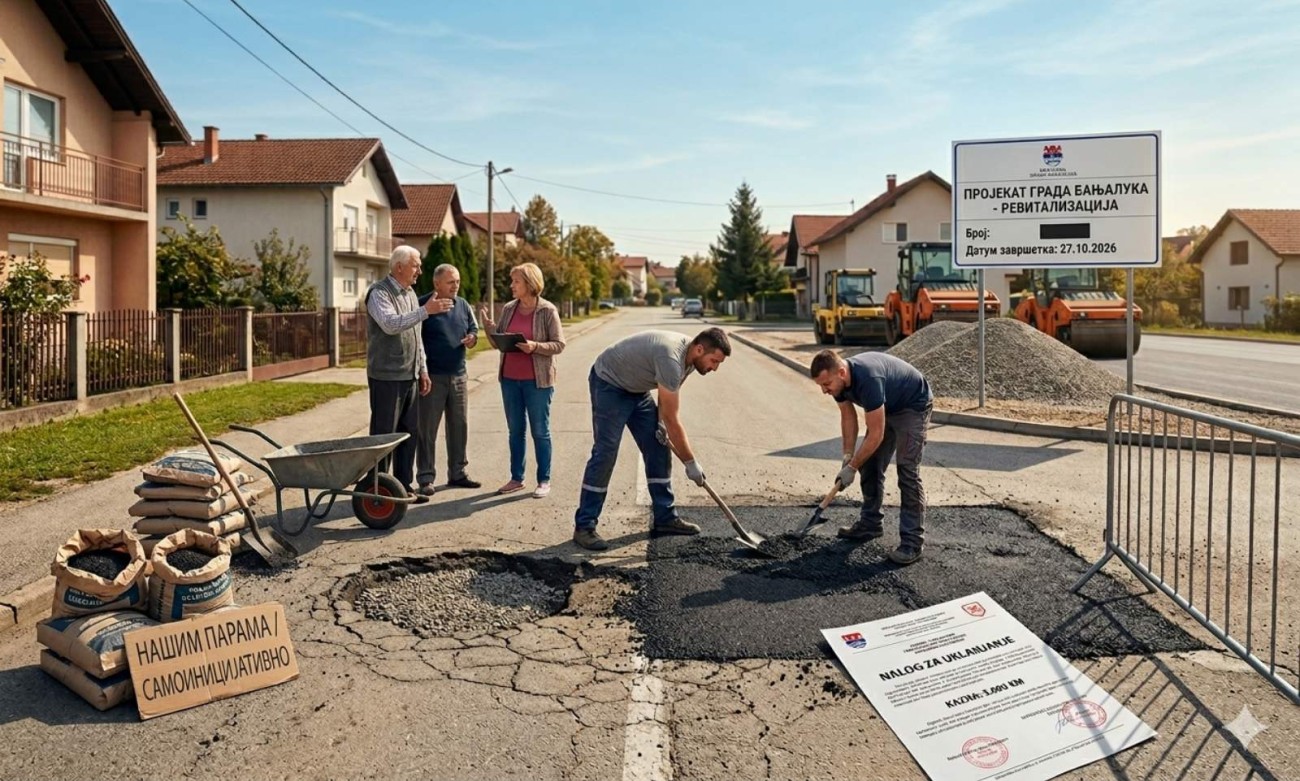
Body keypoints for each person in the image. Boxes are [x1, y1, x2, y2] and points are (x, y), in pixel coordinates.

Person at [572, 327, 731, 551]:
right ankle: (584, 527)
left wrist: (660, 425)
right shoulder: (671, 358)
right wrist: (690, 463)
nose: (714, 368)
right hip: (609, 383)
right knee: (605, 453)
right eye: (714, 361)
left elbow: (667, 403)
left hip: (637, 390)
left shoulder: (690, 360)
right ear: (699, 349)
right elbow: (672, 418)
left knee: (659, 445)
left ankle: (665, 518)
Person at [808, 349, 933, 565]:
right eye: (821, 385)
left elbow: (876, 434)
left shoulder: (869, 378)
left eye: (826, 384)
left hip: (913, 405)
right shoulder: (839, 383)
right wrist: (849, 457)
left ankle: (912, 543)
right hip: (887, 405)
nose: (824, 390)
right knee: (869, 464)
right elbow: (848, 417)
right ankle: (870, 523)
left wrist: (852, 468)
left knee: (907, 471)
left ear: (841, 372)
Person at [365, 245, 452, 501]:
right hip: (386, 376)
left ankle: (403, 487)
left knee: (408, 434)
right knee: (384, 437)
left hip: (410, 375)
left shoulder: (411, 293)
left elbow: (416, 335)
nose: (420, 271)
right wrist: (426, 311)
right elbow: (391, 325)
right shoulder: (379, 293)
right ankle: (376, 490)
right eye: (416, 265)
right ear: (399, 266)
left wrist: (423, 368)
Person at [478, 263, 565, 498]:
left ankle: (543, 480)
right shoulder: (509, 309)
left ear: (529, 283)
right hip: (509, 380)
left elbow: (559, 344)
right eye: (512, 281)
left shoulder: (547, 310)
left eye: (516, 281)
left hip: (538, 382)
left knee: (540, 431)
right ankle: (517, 478)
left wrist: (535, 346)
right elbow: (499, 344)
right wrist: (489, 328)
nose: (511, 285)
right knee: (515, 431)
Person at [414, 263, 482, 496]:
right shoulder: (422, 303)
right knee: (427, 429)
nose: (456, 286)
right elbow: (414, 338)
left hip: (459, 375)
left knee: (459, 426)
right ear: (436, 283)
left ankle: (458, 473)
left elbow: (474, 328)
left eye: (458, 282)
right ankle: (425, 478)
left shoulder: (462, 304)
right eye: (451, 282)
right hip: (432, 377)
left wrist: (473, 338)